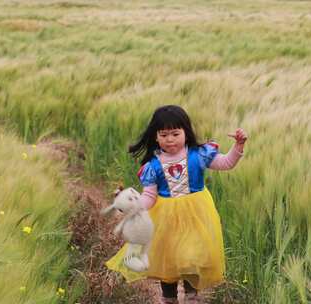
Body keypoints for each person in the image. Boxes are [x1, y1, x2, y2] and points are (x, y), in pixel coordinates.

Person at [105, 105, 247, 304]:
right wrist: (129, 205)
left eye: (175, 133)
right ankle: (168, 298)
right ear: (155, 137)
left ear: (185, 133)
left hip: (196, 215)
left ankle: (191, 296)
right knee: (167, 261)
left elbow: (226, 163)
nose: (169, 139)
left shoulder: (198, 155)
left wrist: (238, 147)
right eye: (163, 135)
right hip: (166, 218)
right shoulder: (153, 167)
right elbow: (148, 197)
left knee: (191, 257)